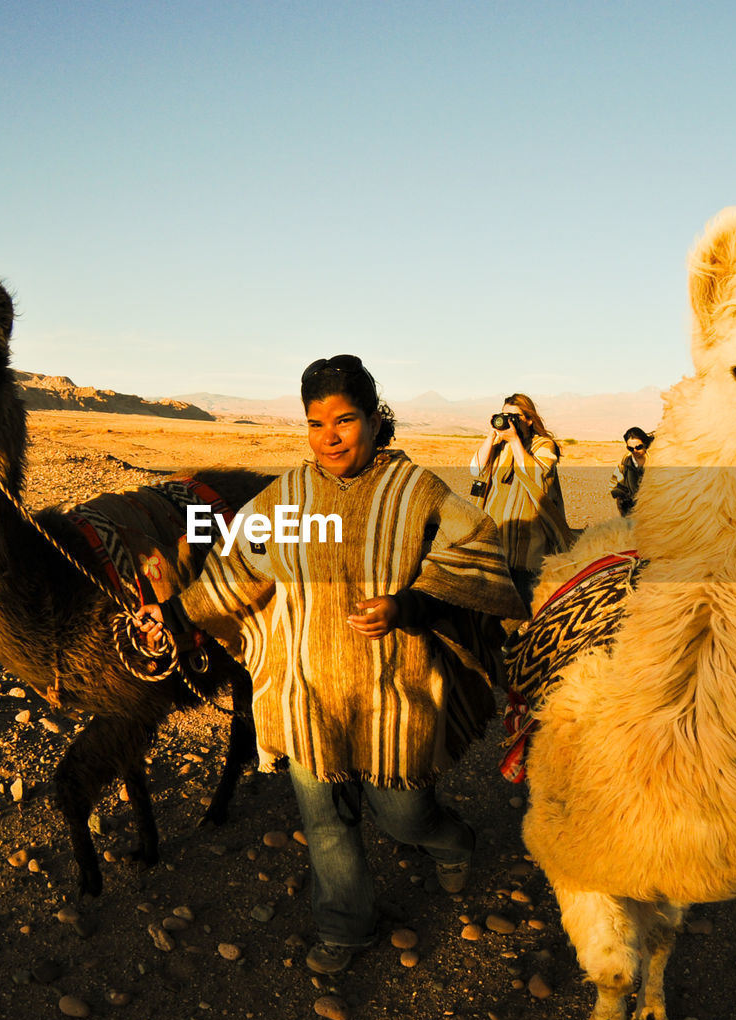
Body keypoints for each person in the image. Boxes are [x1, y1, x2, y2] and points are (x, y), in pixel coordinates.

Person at [142, 355, 526, 976]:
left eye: (345, 420)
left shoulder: (414, 491)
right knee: (325, 825)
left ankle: (451, 839)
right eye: (316, 424)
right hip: (309, 691)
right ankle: (346, 926)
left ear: (375, 420)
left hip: (394, 695)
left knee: (401, 814)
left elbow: (475, 542)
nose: (331, 437)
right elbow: (241, 567)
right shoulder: (290, 497)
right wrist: (176, 615)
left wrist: (410, 603)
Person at [468, 393, 573, 602]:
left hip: (529, 548)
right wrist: (491, 436)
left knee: (528, 609)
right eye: (505, 415)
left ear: (529, 419)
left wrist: (515, 440)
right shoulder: (499, 446)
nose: (509, 421)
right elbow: (475, 469)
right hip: (497, 543)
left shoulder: (543, 445)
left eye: (514, 416)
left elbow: (538, 476)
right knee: (496, 611)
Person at [609, 427, 653, 516]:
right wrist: (619, 493)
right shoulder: (626, 462)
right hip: (632, 508)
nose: (635, 451)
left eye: (639, 447)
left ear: (645, 444)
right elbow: (615, 482)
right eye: (630, 448)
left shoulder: (656, 460)